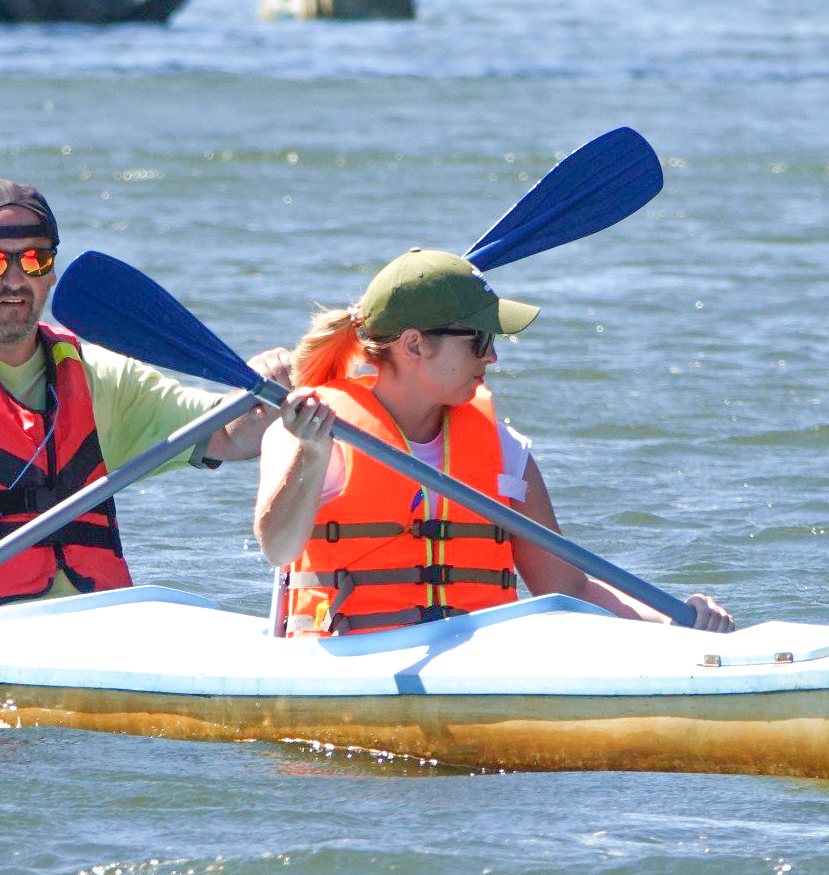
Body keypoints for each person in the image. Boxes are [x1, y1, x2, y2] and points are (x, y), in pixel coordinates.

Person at [0, 177, 287, 610]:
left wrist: (269, 396)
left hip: (91, 619)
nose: (16, 279)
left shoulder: (100, 376)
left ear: (53, 271)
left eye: (35, 259)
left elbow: (230, 436)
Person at [254, 248, 733, 636]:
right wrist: (310, 455)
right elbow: (278, 547)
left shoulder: (505, 450)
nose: (494, 356)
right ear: (415, 344)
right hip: (351, 659)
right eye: (479, 340)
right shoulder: (310, 432)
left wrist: (675, 622)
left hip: (478, 666)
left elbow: (570, 587)